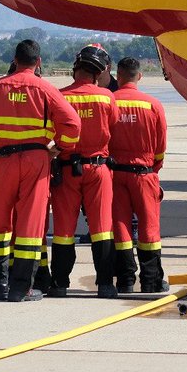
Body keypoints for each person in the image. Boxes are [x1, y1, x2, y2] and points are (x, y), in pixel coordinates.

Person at [0, 39, 81, 302]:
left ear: (14, 59)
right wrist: (59, 148)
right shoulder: (45, 88)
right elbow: (72, 123)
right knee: (29, 223)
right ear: (39, 62)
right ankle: (21, 288)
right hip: (36, 160)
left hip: (3, 160)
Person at [48, 45, 117, 298]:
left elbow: (54, 129)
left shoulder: (60, 96)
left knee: (64, 229)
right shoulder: (107, 97)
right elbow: (112, 124)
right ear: (98, 74)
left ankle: (60, 284)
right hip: (98, 168)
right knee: (102, 227)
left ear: (75, 68)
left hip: (67, 169)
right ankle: (106, 285)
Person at [109, 57, 169, 293]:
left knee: (121, 227)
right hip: (144, 173)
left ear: (118, 75)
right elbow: (161, 144)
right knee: (149, 228)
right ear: (140, 76)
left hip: (115, 173)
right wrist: (153, 168)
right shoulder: (152, 104)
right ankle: (151, 281)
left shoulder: (109, 101)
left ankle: (124, 280)